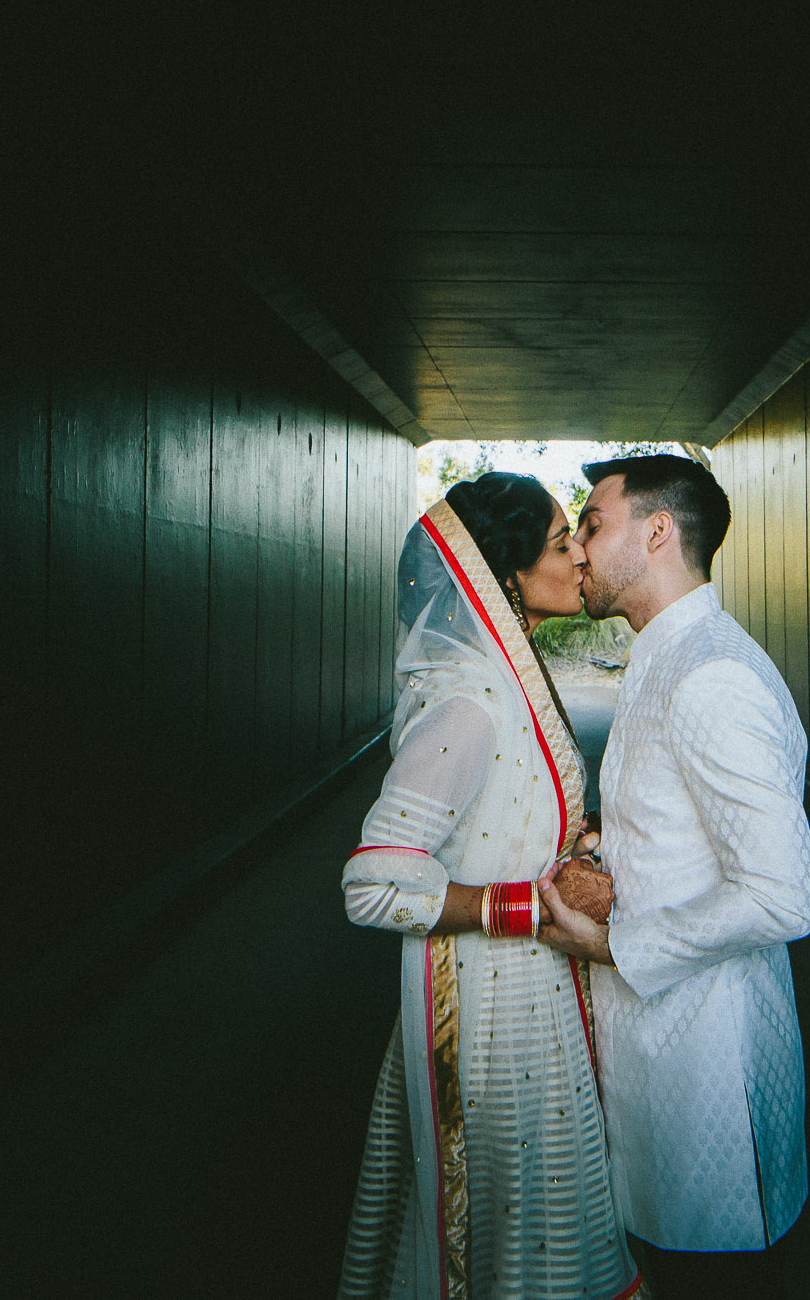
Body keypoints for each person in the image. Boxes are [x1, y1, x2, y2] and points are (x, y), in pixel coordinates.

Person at [337, 472, 643, 1300]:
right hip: (487, 1011)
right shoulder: (469, 705)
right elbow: (374, 880)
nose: (578, 552)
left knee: (546, 1222)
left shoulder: (511, 683)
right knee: (514, 1228)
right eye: (558, 543)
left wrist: (578, 854)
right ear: (504, 577)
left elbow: (508, 821)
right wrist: (524, 904)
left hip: (535, 998)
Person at [536, 455, 810, 1300]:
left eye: (592, 525)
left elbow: (782, 892)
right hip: (657, 1067)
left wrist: (615, 941)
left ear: (658, 531)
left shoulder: (712, 674)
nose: (578, 550)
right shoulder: (663, 655)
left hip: (712, 1085)